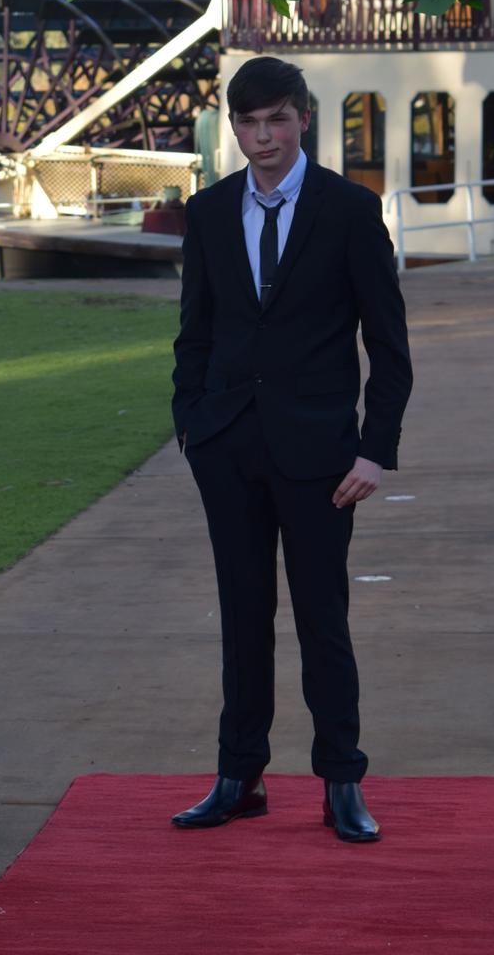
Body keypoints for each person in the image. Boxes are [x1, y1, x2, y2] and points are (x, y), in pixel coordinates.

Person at [170, 56, 412, 842]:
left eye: (276, 119)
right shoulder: (207, 214)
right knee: (242, 620)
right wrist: (193, 425)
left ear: (302, 117)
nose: (263, 136)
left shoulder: (348, 209)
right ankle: (239, 776)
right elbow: (196, 334)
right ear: (233, 127)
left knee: (323, 621)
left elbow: (388, 343)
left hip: (323, 459)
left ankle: (342, 780)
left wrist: (375, 450)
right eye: (248, 122)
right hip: (228, 450)